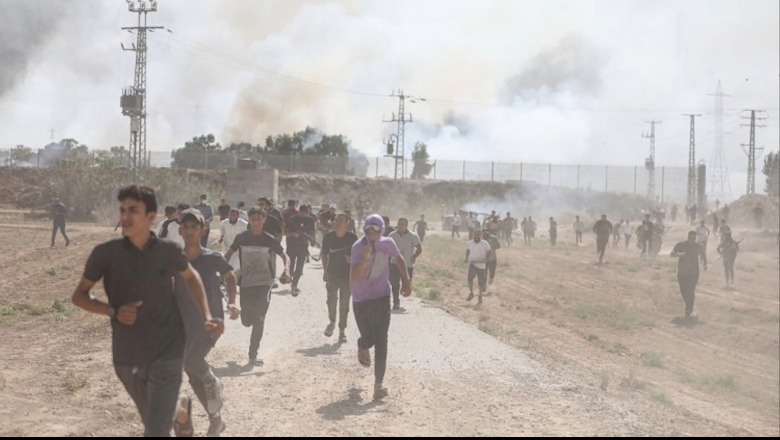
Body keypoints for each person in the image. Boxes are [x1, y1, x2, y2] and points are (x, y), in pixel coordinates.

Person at [71, 184, 223, 437]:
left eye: (134, 210)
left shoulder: (169, 251)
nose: (126, 216)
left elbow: (192, 277)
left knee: (155, 429)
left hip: (167, 348)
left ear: (151, 216)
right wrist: (113, 311)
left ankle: (175, 411)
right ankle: (181, 408)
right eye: (123, 210)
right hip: (126, 352)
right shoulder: (105, 254)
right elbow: (79, 296)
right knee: (154, 414)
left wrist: (207, 315)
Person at [173, 209, 239, 437]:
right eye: (185, 227)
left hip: (211, 322)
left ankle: (212, 379)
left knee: (191, 361)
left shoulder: (213, 258)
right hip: (184, 324)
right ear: (180, 231)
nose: (189, 231)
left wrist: (232, 302)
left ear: (202, 231)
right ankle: (216, 420)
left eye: (194, 227)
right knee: (192, 374)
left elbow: (230, 277)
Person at [350, 214, 411, 401]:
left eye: (375, 229)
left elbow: (399, 259)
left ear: (381, 229)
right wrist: (365, 258)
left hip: (381, 296)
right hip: (361, 299)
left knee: (382, 340)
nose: (371, 233)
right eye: (368, 229)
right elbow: (354, 277)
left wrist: (406, 281)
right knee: (369, 339)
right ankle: (363, 344)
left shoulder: (388, 243)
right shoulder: (358, 247)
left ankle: (378, 385)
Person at [223, 207, 291, 366]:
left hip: (264, 284)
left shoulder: (269, 239)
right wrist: (222, 270)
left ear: (264, 220)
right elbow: (228, 254)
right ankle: (249, 319)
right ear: (249, 220)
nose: (256, 222)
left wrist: (287, 270)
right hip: (246, 284)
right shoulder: (242, 238)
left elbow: (284, 256)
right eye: (253, 219)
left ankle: (252, 355)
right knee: (247, 321)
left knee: (260, 319)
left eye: (259, 219)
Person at [320, 213, 358, 342]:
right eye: (336, 220)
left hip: (347, 276)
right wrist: (325, 271)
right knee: (331, 300)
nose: (338, 222)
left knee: (344, 303)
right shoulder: (328, 237)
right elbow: (324, 255)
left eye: (341, 220)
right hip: (332, 274)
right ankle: (332, 322)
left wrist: (352, 260)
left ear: (347, 222)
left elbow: (359, 256)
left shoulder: (352, 238)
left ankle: (342, 331)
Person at [670, 231, 708, 318]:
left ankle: (689, 309)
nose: (691, 239)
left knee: (690, 290)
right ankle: (689, 306)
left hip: (693, 273)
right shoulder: (681, 245)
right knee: (683, 291)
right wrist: (679, 254)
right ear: (688, 237)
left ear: (695, 238)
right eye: (690, 237)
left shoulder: (698, 246)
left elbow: (703, 255)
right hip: (682, 273)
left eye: (693, 238)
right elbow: (671, 254)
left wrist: (705, 264)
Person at [389, 218, 423, 310]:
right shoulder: (392, 235)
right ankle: (396, 302)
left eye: (402, 224)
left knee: (406, 283)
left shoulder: (413, 236)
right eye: (399, 224)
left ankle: (404, 288)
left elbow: (419, 248)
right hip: (394, 263)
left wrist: (414, 257)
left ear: (406, 225)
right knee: (395, 283)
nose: (400, 226)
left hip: (408, 264)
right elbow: (387, 247)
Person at [284, 204, 316, 296]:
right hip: (292, 245)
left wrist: (312, 240)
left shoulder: (310, 220)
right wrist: (293, 234)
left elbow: (312, 232)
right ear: (299, 212)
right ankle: (290, 279)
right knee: (291, 265)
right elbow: (285, 232)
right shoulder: (292, 219)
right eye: (302, 212)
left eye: (305, 213)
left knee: (300, 266)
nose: (303, 214)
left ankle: (295, 284)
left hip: (303, 246)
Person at [219, 208, 248, 278]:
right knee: (227, 263)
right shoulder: (224, 223)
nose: (232, 216)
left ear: (237, 216)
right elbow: (222, 231)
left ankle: (233, 278)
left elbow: (247, 232)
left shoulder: (243, 224)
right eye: (230, 215)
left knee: (235, 264)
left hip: (237, 248)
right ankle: (226, 278)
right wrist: (221, 238)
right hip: (227, 247)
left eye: (234, 215)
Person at [465, 229, 492, 304]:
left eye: (478, 235)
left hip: (481, 265)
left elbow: (489, 251)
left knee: (481, 282)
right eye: (475, 234)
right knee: (469, 279)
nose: (476, 236)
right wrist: (466, 258)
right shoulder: (470, 243)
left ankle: (480, 296)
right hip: (473, 264)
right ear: (473, 235)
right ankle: (471, 293)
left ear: (480, 235)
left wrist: (486, 258)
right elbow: (467, 250)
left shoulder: (484, 243)